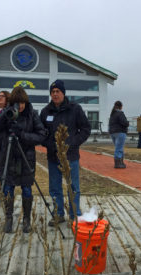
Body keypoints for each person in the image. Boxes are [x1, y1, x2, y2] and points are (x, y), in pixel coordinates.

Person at [0, 87, 46, 233]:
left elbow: (41, 135)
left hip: (25, 158)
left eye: (22, 103)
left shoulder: (32, 115)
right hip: (8, 157)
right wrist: (5, 114)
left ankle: (26, 219)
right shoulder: (7, 112)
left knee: (27, 189)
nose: (20, 106)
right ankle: (8, 218)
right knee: (7, 188)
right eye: (17, 103)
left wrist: (22, 135)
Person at [40, 80, 91, 225]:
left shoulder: (75, 109)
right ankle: (58, 213)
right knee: (55, 187)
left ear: (63, 93)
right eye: (53, 92)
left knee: (73, 187)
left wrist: (71, 143)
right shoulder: (45, 112)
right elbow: (40, 132)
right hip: (53, 156)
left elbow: (85, 129)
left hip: (71, 156)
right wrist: (50, 144)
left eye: (58, 91)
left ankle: (74, 215)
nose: (55, 94)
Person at [109, 100, 129, 168]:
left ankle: (120, 162)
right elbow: (124, 123)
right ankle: (118, 163)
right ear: (121, 106)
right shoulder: (120, 113)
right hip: (120, 132)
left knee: (118, 147)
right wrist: (127, 123)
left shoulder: (112, 114)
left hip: (113, 132)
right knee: (119, 148)